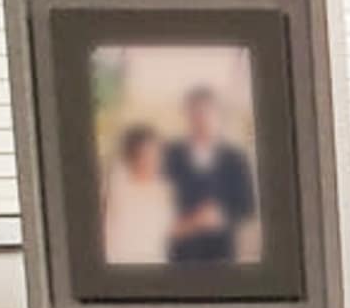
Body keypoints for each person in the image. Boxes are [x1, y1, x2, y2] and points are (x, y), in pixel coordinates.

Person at [163, 84, 258, 264]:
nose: (200, 119)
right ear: (186, 115)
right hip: (178, 256)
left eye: (206, 112)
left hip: (221, 255)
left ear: (217, 114)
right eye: (194, 113)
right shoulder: (169, 155)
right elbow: (157, 203)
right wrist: (190, 222)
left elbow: (247, 208)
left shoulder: (236, 158)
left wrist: (221, 216)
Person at [98, 124, 173, 268]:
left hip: (154, 267)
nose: (152, 159)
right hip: (118, 267)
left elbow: (165, 231)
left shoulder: (162, 189)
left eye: (156, 154)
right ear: (132, 156)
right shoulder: (116, 182)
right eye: (145, 154)